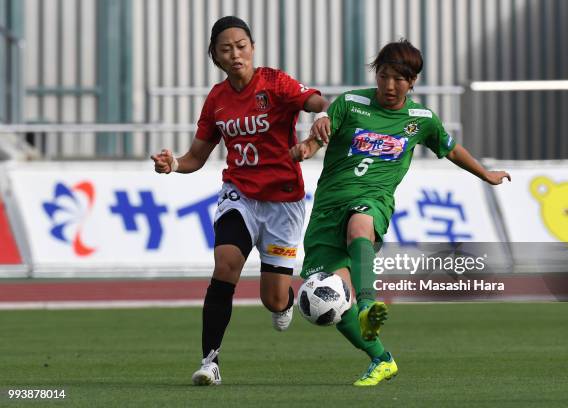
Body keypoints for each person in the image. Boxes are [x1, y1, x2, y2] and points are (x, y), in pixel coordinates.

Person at [290, 39, 510, 386]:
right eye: (384, 76)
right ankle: (381, 359)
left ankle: (367, 307)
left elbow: (451, 150)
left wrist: (486, 174)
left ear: (413, 81)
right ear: (376, 75)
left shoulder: (421, 119)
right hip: (326, 210)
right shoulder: (350, 103)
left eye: (399, 79)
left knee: (359, 226)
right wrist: (306, 146)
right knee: (327, 296)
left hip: (372, 199)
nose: (390, 86)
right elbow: (316, 140)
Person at [151, 16, 329, 386]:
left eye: (241, 46)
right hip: (240, 194)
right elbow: (196, 157)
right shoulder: (216, 99)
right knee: (226, 264)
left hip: (283, 202)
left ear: (252, 48)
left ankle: (285, 301)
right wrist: (174, 165)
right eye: (226, 49)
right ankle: (209, 361)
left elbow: (313, 99)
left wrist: (321, 112)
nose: (235, 54)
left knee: (273, 299)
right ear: (215, 56)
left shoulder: (275, 82)